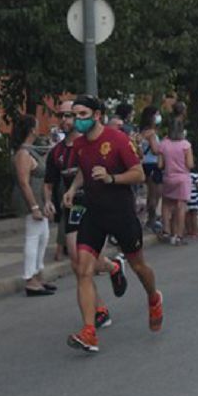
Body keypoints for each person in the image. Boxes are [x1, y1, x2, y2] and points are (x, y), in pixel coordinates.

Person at [63, 95, 163, 354]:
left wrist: (111, 178)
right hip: (94, 214)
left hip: (121, 214)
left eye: (82, 115)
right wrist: (73, 189)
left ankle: (153, 297)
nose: (78, 120)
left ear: (97, 115)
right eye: (75, 115)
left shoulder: (117, 139)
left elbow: (139, 173)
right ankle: (89, 331)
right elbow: (84, 171)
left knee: (139, 266)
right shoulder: (80, 145)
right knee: (82, 269)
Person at [43, 101, 123, 329]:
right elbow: (49, 183)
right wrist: (47, 201)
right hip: (73, 207)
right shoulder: (56, 152)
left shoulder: (91, 144)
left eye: (70, 115)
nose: (66, 120)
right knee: (78, 262)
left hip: (96, 203)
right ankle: (99, 309)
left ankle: (112, 267)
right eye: (62, 116)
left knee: (87, 260)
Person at [11, 115, 56, 296]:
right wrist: (34, 207)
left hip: (39, 200)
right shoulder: (23, 153)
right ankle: (30, 279)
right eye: (36, 126)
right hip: (31, 201)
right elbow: (23, 182)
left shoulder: (31, 150)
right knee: (33, 237)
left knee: (43, 237)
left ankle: (38, 275)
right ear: (31, 130)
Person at [158, 118, 194, 246]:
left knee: (166, 204)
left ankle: (166, 231)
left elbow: (160, 164)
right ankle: (178, 235)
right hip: (182, 178)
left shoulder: (163, 144)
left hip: (168, 177)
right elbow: (190, 164)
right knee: (180, 207)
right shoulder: (186, 145)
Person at [137, 106, 163, 231]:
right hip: (152, 163)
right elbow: (155, 150)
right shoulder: (151, 133)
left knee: (149, 193)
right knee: (154, 193)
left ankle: (149, 217)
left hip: (144, 164)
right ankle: (152, 219)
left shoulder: (141, 132)